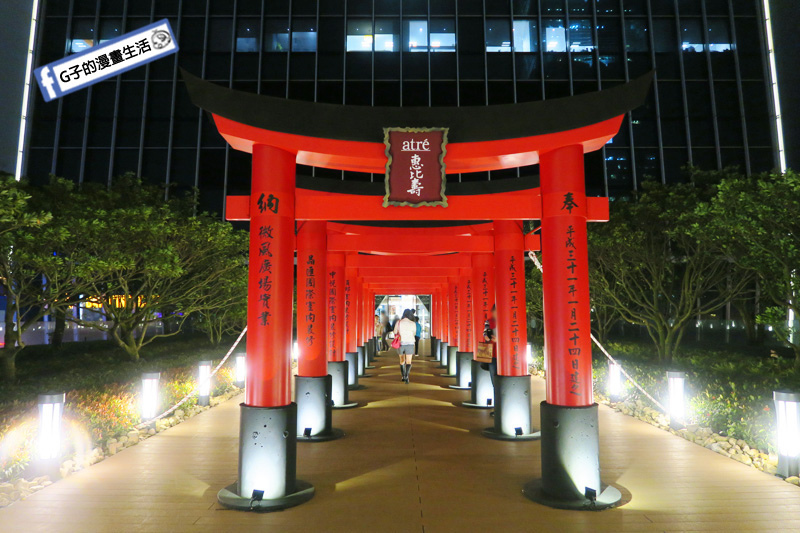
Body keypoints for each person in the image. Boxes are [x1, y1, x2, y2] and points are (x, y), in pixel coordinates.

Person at [394, 309, 417, 383]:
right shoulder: (413, 323)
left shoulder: (399, 322)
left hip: (401, 343)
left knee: (402, 360)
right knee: (409, 361)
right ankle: (407, 375)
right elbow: (414, 333)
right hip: (410, 343)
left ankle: (403, 375)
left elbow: (394, 331)